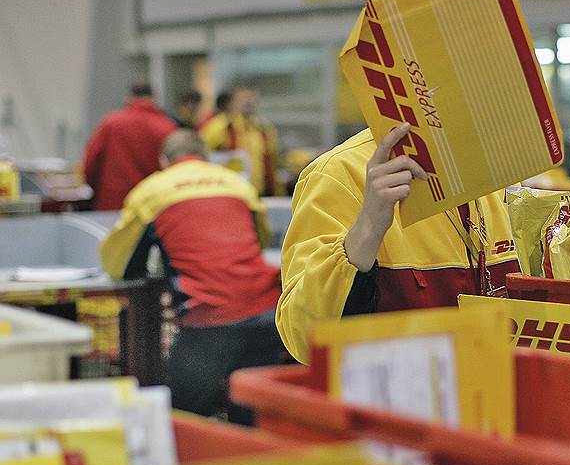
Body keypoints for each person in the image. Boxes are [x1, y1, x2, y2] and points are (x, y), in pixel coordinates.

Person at [275, 124, 520, 364]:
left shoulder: (497, 175)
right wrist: (367, 228)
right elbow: (305, 339)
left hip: (490, 384)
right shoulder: (339, 173)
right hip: (388, 388)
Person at [100, 130, 286, 424]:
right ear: (205, 157)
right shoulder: (237, 184)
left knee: (183, 421)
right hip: (268, 313)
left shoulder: (152, 191)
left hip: (209, 316)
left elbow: (117, 262)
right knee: (248, 419)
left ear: (164, 160)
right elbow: (259, 240)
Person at [82, 83, 178, 210]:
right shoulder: (168, 127)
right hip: (152, 205)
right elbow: (176, 168)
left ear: (129, 98)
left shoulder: (111, 123)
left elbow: (91, 161)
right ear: (154, 99)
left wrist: (94, 189)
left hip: (113, 202)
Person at [199, 85, 282, 196]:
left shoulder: (264, 128)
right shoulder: (219, 126)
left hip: (261, 193)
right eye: (243, 98)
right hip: (229, 191)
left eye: (251, 98)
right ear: (231, 102)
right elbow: (203, 155)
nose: (248, 102)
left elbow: (275, 160)